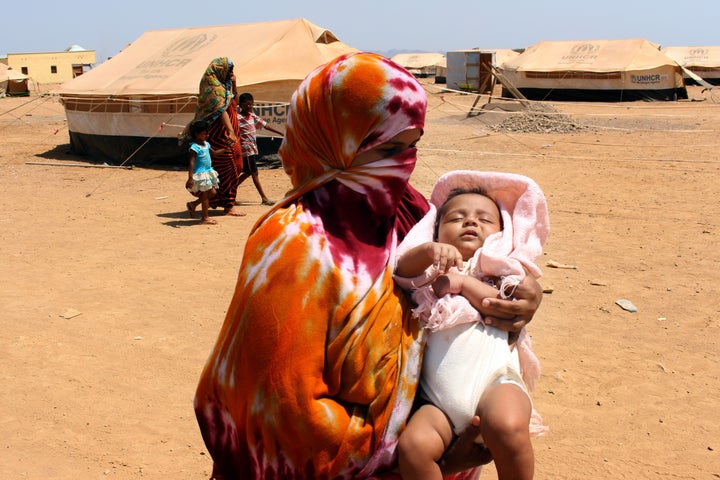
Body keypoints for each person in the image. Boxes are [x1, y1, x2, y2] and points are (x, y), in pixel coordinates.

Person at [194, 52, 543, 480]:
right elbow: (282, 414)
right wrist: (427, 461)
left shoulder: (408, 213)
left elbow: (477, 272)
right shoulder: (293, 244)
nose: (403, 163)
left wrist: (522, 297)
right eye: (389, 148)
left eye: (412, 145)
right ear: (332, 140)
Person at [394, 170, 550, 480]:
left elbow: (498, 303)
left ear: (502, 235)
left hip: (496, 384)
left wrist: (463, 283)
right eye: (456, 218)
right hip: (436, 401)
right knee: (413, 447)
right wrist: (427, 253)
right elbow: (401, 271)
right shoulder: (429, 272)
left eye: (484, 219)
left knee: (507, 426)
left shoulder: (500, 271)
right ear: (435, 231)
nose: (470, 222)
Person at [180, 57, 246, 217]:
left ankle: (221, 202)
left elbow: (234, 103)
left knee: (236, 167)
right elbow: (221, 110)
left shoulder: (225, 88)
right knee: (227, 169)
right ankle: (228, 205)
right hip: (220, 136)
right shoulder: (213, 89)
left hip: (231, 136)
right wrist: (230, 131)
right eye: (229, 71)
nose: (231, 73)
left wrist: (234, 84)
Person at [236, 92, 284, 206]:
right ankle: (264, 198)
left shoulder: (252, 116)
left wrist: (280, 132)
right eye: (247, 104)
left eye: (251, 104)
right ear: (241, 105)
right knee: (254, 172)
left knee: (248, 172)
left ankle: (229, 192)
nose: (249, 106)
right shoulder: (238, 118)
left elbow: (265, 125)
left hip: (252, 148)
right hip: (246, 149)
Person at [184, 120, 224, 225]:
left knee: (213, 193)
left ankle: (193, 204)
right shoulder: (194, 147)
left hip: (208, 171)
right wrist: (190, 178)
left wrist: (226, 148)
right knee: (206, 196)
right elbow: (191, 163)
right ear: (197, 134)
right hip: (201, 174)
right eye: (204, 133)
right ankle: (204, 218)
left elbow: (214, 154)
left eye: (207, 133)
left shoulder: (206, 144)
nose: (207, 135)